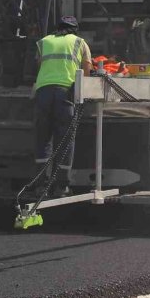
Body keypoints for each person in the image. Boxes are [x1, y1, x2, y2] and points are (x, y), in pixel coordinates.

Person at [32, 16, 92, 197]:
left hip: (42, 93)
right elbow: (87, 69)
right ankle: (62, 186)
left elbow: (39, 65)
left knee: (43, 138)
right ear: (75, 30)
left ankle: (41, 185)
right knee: (65, 139)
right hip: (65, 94)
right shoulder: (80, 42)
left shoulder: (43, 42)